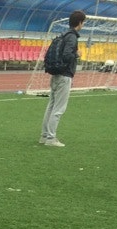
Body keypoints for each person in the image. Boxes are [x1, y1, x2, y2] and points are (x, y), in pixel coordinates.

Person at [40, 9, 86, 147]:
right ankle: (51, 138)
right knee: (58, 109)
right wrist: (77, 54)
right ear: (80, 22)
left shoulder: (64, 35)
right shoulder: (72, 37)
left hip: (56, 74)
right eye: (83, 22)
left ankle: (44, 136)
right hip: (64, 75)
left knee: (51, 106)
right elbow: (67, 55)